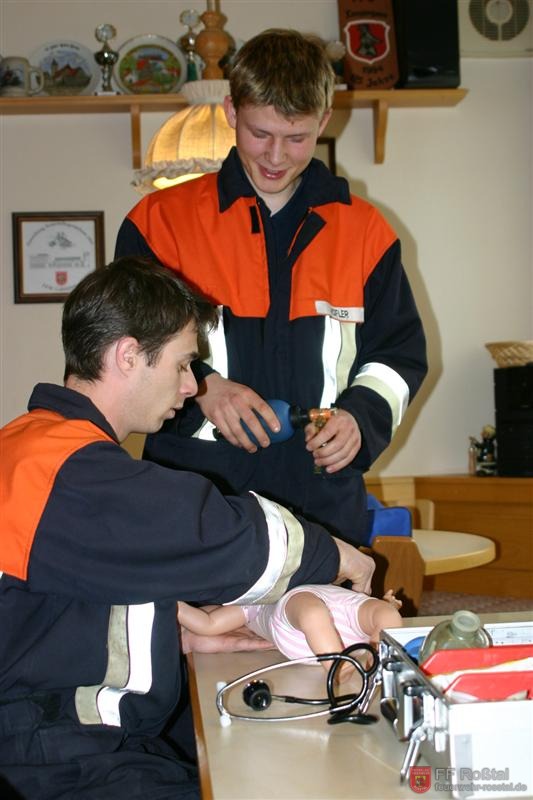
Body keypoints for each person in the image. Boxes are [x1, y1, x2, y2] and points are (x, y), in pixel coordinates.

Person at [0, 257, 375, 800]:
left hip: (48, 731)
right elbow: (215, 533)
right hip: (45, 754)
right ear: (129, 356)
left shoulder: (35, 447)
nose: (190, 387)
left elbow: (63, 605)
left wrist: (169, 635)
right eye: (182, 365)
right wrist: (336, 554)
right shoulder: (63, 467)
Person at [115, 28, 428, 547]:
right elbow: (126, 349)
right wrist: (205, 388)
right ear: (232, 111)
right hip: (193, 500)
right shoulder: (158, 225)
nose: (276, 156)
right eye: (261, 133)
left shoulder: (367, 234)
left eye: (297, 137)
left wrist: (360, 418)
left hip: (324, 507)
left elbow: (398, 357)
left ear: (323, 122)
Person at [178, 586, 402, 682]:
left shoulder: (362, 621)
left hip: (312, 606)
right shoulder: (249, 607)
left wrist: (375, 644)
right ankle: (170, 604)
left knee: (209, 624)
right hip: (283, 604)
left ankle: (176, 609)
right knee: (208, 624)